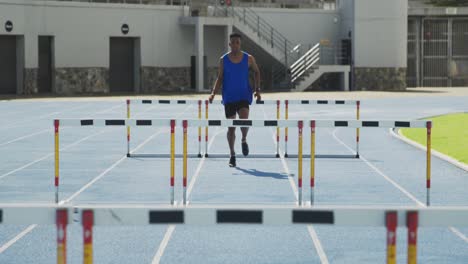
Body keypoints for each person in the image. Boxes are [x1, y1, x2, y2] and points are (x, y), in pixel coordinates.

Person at [208, 32, 261, 167]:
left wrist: (258, 90)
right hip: (229, 97)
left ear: (240, 43)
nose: (236, 45)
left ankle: (243, 139)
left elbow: (256, 71)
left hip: (244, 95)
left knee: (244, 121)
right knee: (231, 128)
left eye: (238, 42)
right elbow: (220, 78)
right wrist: (213, 93)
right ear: (230, 44)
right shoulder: (223, 60)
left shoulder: (248, 58)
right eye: (233, 42)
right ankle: (232, 154)